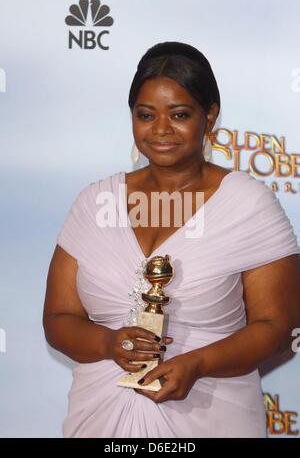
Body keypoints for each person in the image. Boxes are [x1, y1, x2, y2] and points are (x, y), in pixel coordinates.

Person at [43, 41, 300, 438]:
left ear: (210, 116)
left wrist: (199, 363)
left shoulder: (249, 205)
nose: (161, 129)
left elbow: (277, 326)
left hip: (212, 414)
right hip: (100, 417)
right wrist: (108, 342)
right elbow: (58, 319)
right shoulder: (94, 202)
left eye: (179, 114)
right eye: (146, 115)